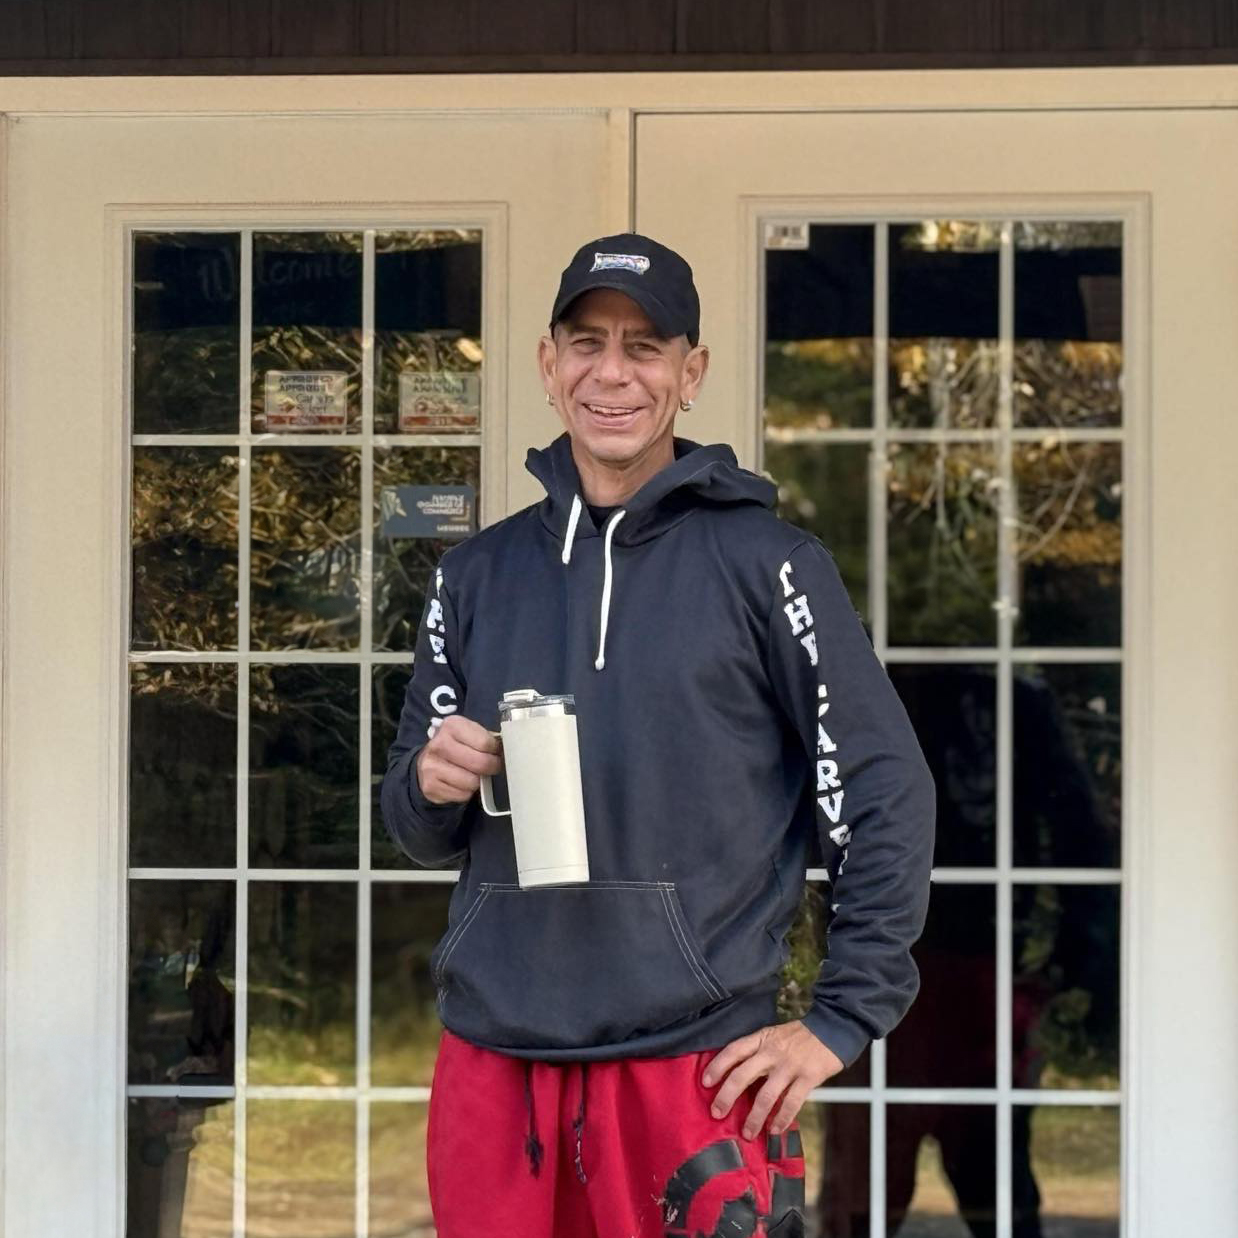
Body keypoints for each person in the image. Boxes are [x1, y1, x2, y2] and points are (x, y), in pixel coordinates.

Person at [381, 233, 935, 1237]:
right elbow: (414, 828)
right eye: (586, 342)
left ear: (690, 372)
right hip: (496, 1062)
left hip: (696, 1066)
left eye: (645, 345)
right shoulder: (474, 574)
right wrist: (428, 780)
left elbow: (879, 786)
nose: (612, 371)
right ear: (548, 366)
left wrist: (840, 1016)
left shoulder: (768, 561)